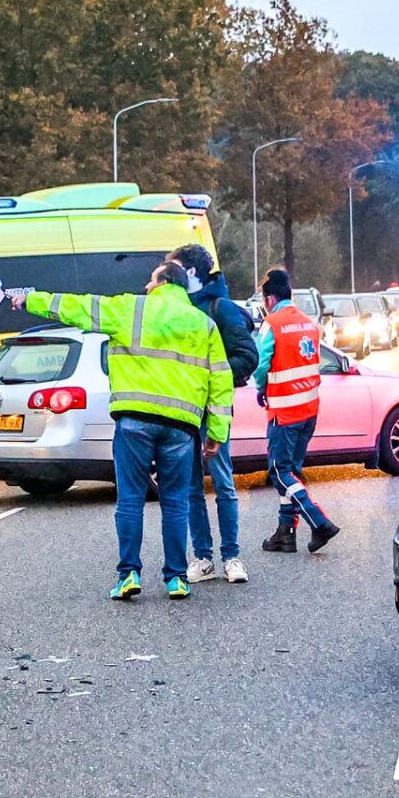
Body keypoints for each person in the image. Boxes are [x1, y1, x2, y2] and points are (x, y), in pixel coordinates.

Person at [6, 258, 232, 600]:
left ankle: (129, 575)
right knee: (175, 503)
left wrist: (30, 299)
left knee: (130, 500)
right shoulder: (203, 325)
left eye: (151, 281)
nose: (146, 286)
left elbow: (77, 307)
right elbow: (221, 379)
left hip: (135, 421)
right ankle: (176, 579)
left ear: (160, 283)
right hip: (180, 426)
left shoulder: (130, 309)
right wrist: (217, 431)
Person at [172, 243, 258, 585]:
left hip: (213, 409)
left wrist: (208, 378)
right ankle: (204, 557)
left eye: (175, 268)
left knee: (223, 483)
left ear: (191, 272)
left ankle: (232, 556)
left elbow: (246, 356)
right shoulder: (176, 308)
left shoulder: (221, 309)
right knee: (192, 486)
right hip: (183, 410)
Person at [255, 268, 340, 554]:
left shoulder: (272, 324)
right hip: (309, 410)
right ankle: (285, 533)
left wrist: (260, 387)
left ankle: (319, 522)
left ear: (270, 299)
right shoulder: (309, 323)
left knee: (280, 473)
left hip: (284, 412)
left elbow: (260, 364)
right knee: (292, 472)